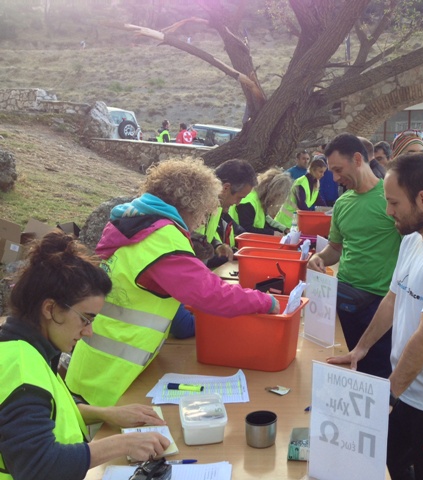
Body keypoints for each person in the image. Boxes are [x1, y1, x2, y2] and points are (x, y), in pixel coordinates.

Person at [65, 159, 279, 407]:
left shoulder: (139, 227)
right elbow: (210, 293)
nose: (201, 221)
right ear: (191, 205)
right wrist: (264, 301)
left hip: (98, 365)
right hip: (108, 381)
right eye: (203, 212)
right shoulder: (162, 239)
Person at [328, 153, 423, 480]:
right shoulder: (413, 240)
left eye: (394, 202)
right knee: (388, 467)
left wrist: (388, 394)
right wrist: (361, 348)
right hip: (407, 389)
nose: (389, 211)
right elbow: (392, 299)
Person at [0, 231, 171, 479]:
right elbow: (38, 467)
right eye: (85, 319)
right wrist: (122, 444)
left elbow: (45, 412)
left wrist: (105, 413)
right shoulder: (21, 368)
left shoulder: (26, 350)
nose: (89, 331)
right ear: (50, 309)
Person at [308, 133, 401, 378]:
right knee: (341, 370)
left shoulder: (390, 199)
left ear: (358, 159)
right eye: (332, 172)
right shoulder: (342, 203)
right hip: (343, 300)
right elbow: (335, 248)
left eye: (338, 170)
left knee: (375, 375)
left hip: (379, 306)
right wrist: (318, 258)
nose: (335, 178)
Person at [196, 159, 256, 269]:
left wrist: (217, 245)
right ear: (226, 188)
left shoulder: (217, 206)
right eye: (239, 197)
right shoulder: (194, 206)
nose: (238, 203)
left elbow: (205, 235)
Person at [229, 168, 292, 235]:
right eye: (277, 195)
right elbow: (247, 229)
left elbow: (267, 221)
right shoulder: (248, 202)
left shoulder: (259, 201)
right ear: (270, 190)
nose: (277, 198)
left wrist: (284, 229)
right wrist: (272, 233)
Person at [275, 156, 327, 228]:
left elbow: (319, 200)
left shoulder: (315, 183)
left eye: (324, 172)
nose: (322, 175)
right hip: (283, 222)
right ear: (313, 170)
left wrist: (328, 211)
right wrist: (313, 217)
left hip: (294, 223)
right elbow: (301, 205)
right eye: (320, 172)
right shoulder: (301, 182)